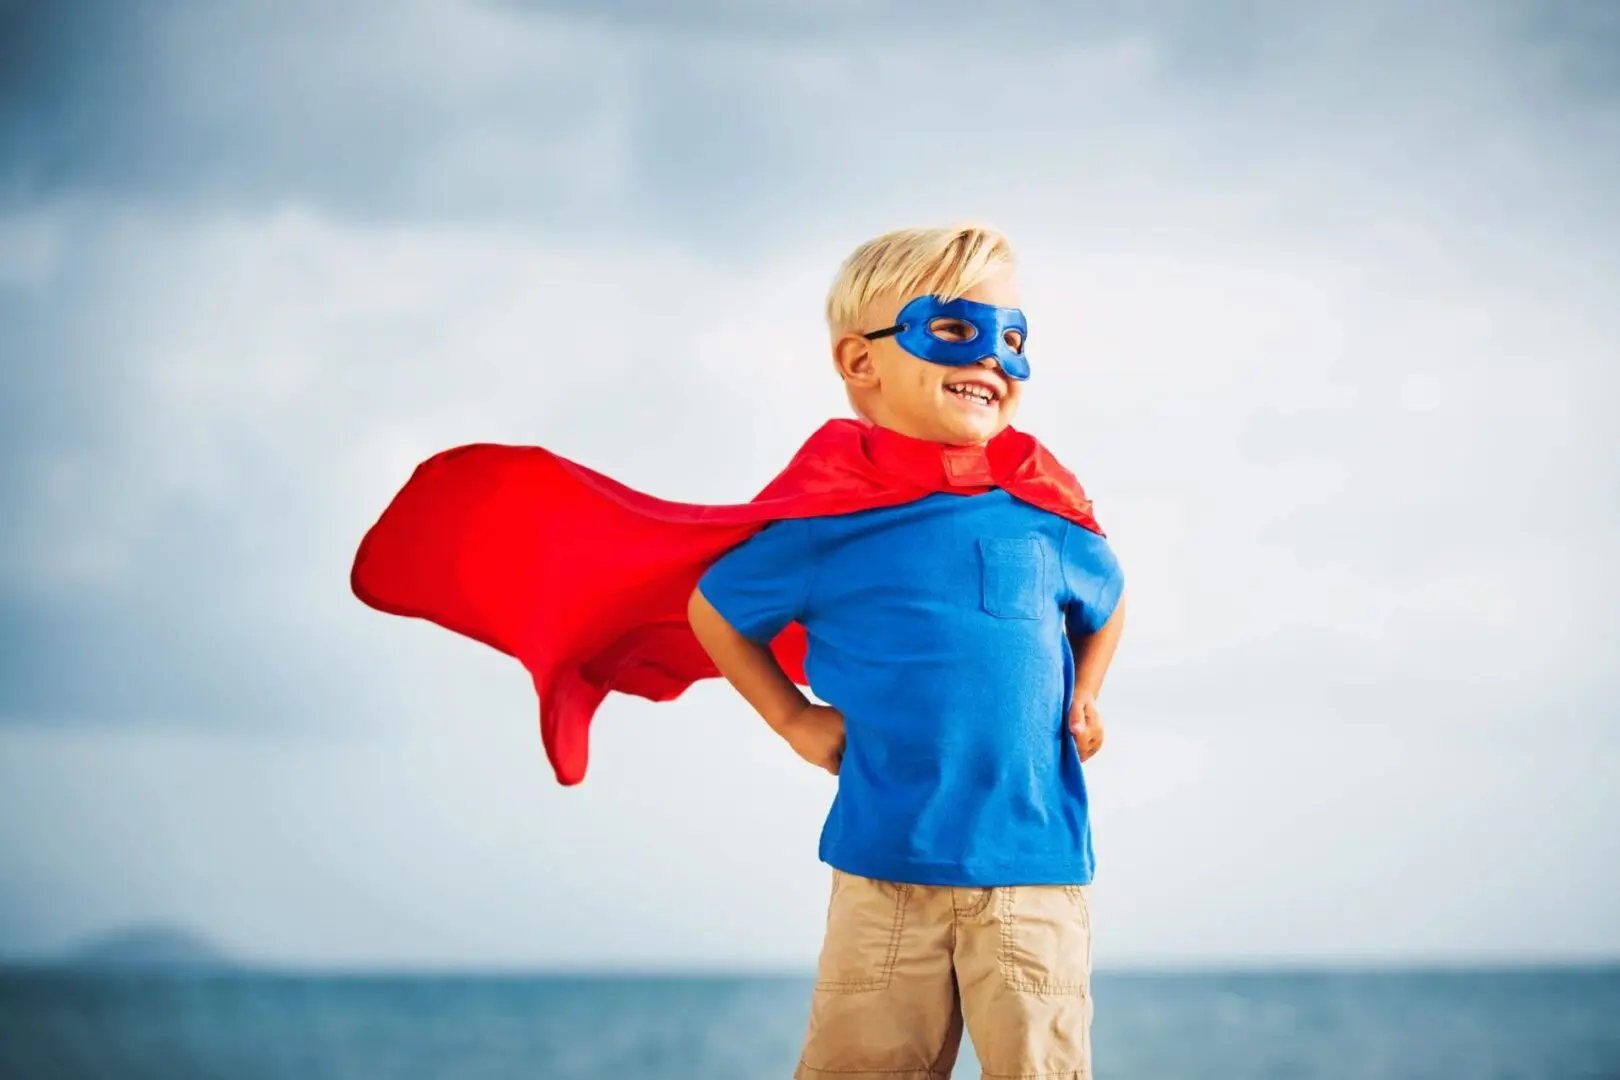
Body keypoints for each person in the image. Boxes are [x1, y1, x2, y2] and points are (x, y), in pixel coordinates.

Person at [688, 223, 1126, 1079]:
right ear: (862, 363)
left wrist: (1088, 695)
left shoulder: (1046, 515)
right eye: (956, 329)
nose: (994, 357)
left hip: (1032, 871)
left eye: (1013, 339)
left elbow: (1106, 604)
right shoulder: (828, 527)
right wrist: (789, 717)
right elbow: (716, 608)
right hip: (884, 875)